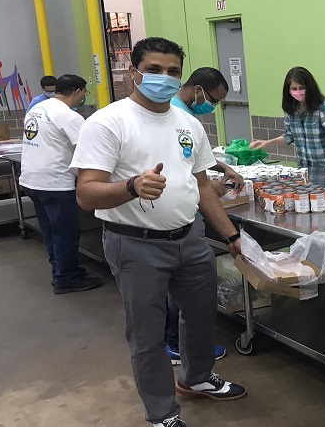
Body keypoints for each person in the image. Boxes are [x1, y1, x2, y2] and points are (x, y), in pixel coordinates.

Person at [71, 37, 247, 427]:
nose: (163, 77)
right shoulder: (108, 122)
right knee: (147, 334)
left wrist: (231, 236)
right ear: (134, 72)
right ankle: (162, 413)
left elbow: (202, 186)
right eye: (154, 69)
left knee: (200, 315)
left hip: (190, 238)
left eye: (172, 71)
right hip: (135, 244)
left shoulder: (188, 123)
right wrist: (132, 186)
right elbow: (86, 193)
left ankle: (196, 378)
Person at [166, 66, 245, 365]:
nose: (213, 106)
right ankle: (180, 347)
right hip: (181, 221)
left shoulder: (184, 113)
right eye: (213, 100)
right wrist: (210, 188)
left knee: (184, 290)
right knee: (187, 292)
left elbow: (194, 156)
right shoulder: (176, 115)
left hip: (186, 220)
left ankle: (182, 345)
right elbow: (178, 172)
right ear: (198, 89)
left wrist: (223, 168)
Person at [19, 74, 101, 293]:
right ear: (78, 91)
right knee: (65, 232)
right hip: (54, 183)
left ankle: (61, 270)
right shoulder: (68, 116)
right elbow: (89, 148)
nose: (83, 97)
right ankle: (66, 278)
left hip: (31, 180)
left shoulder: (38, 108)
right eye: (84, 93)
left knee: (50, 230)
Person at [250, 66, 325, 184]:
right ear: (288, 90)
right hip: (303, 170)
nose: (298, 92)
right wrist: (267, 143)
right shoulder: (291, 109)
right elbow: (289, 136)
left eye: (302, 88)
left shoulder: (322, 108)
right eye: (294, 89)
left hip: (324, 170)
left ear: (309, 87)